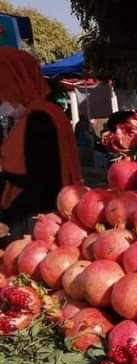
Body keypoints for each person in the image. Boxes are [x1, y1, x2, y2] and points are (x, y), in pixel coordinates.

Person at [0, 47, 82, 247]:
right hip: (42, 213)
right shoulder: (46, 113)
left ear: (18, 83)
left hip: (34, 220)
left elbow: (37, 178)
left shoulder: (39, 119)